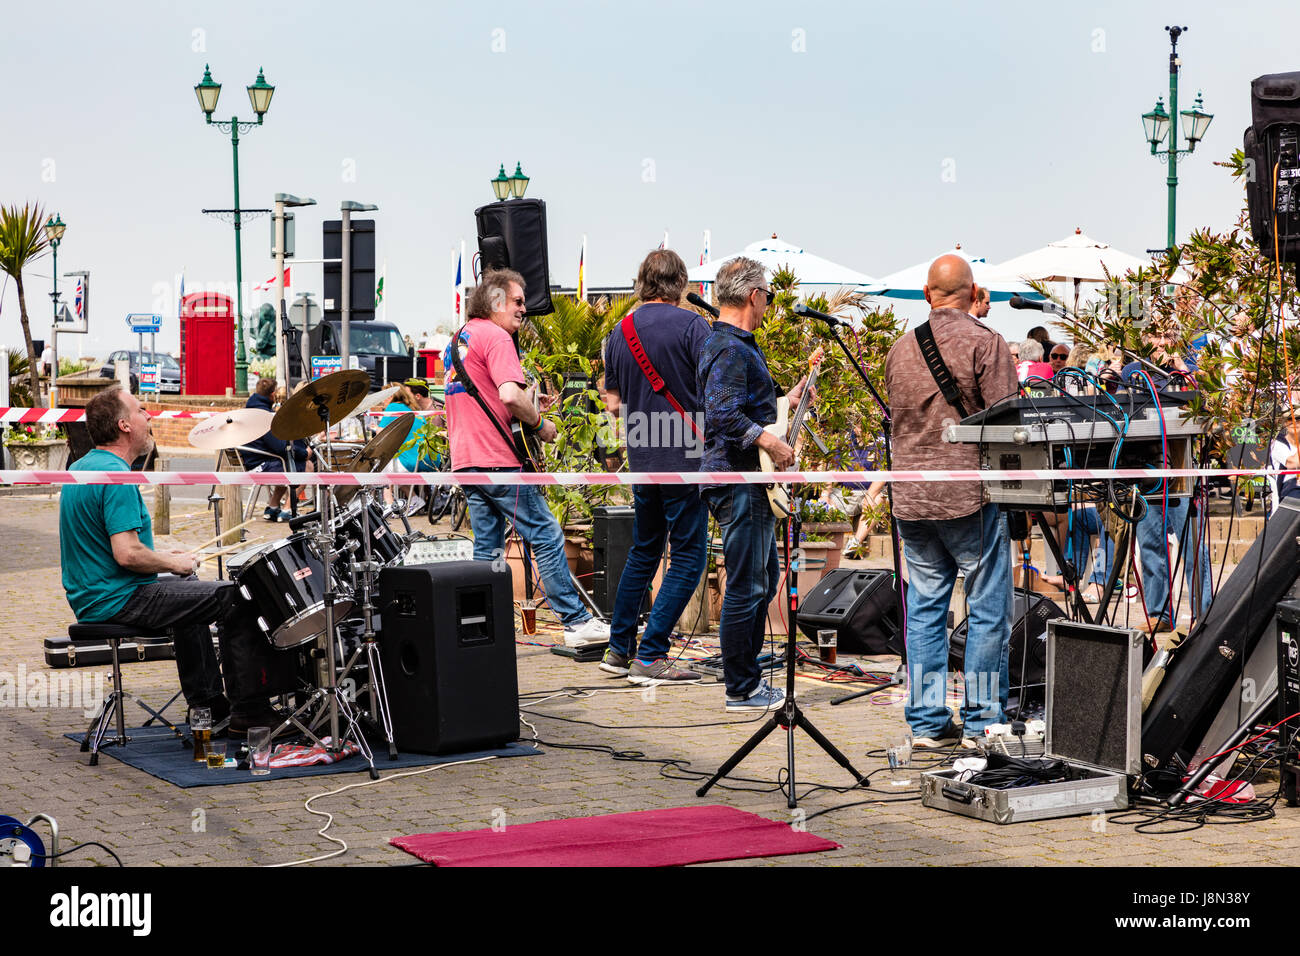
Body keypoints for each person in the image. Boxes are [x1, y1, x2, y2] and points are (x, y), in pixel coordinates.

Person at [58, 385, 289, 735]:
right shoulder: (117, 476)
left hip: (94, 595)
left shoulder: (83, 466)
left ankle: (208, 706)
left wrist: (168, 558)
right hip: (118, 599)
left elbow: (112, 549)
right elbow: (127, 554)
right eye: (140, 411)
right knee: (236, 597)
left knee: (190, 592)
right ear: (124, 425)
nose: (148, 416)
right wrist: (171, 563)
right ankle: (250, 713)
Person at [884, 254, 1017, 748]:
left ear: (926, 294)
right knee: (985, 609)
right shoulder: (986, 342)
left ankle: (925, 723)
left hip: (911, 498)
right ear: (974, 291)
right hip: (967, 495)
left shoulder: (899, 349)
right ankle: (982, 722)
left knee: (923, 608)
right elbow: (1010, 425)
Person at [443, 269, 610, 647]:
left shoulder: (460, 338)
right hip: (498, 461)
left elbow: (482, 397)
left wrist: (527, 402)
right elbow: (508, 397)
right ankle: (576, 622)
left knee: (486, 549)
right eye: (518, 301)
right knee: (548, 534)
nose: (524, 309)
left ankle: (481, 628)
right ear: (496, 301)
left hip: (467, 461)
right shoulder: (498, 337)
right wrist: (539, 423)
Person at [698, 257, 811, 711]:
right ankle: (740, 687)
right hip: (739, 479)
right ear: (753, 295)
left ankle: (743, 673)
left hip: (746, 479)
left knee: (761, 578)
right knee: (747, 583)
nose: (769, 302)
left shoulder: (738, 346)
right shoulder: (728, 347)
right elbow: (722, 414)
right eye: (768, 294)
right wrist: (772, 442)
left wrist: (787, 401)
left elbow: (741, 406)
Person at [599, 250, 711, 684]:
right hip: (684, 455)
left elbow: (612, 403)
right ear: (680, 283)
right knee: (688, 556)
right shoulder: (694, 326)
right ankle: (651, 656)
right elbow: (713, 391)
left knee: (644, 549)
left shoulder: (619, 330)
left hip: (642, 453)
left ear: (642, 280)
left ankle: (618, 649)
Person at [242, 377, 312, 521]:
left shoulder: (249, 409)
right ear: (273, 394)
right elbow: (280, 448)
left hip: (253, 461)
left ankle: (273, 507)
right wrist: (304, 453)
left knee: (285, 463)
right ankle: (287, 509)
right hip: (260, 466)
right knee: (307, 466)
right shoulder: (264, 416)